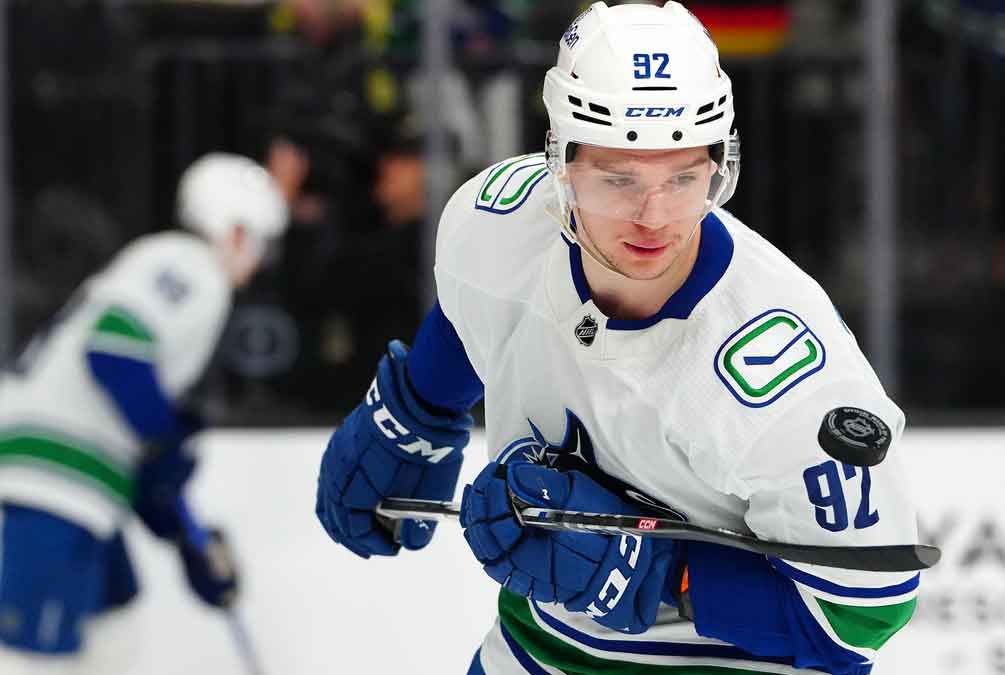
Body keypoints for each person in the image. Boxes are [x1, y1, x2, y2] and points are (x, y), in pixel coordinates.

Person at [315, 3, 921, 673]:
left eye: (684, 178)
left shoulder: (789, 380)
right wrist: (415, 409)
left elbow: (861, 615)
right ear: (562, 163)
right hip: (537, 654)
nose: (654, 216)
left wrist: (662, 574)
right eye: (618, 180)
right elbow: (479, 306)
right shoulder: (499, 221)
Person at [0, 153, 288, 673]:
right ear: (237, 232)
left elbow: (139, 430)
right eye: (262, 243)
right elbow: (114, 349)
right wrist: (166, 440)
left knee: (114, 631)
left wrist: (183, 536)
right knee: (26, 660)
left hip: (83, 487)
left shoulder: (175, 267)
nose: (259, 260)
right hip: (48, 481)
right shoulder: (189, 264)